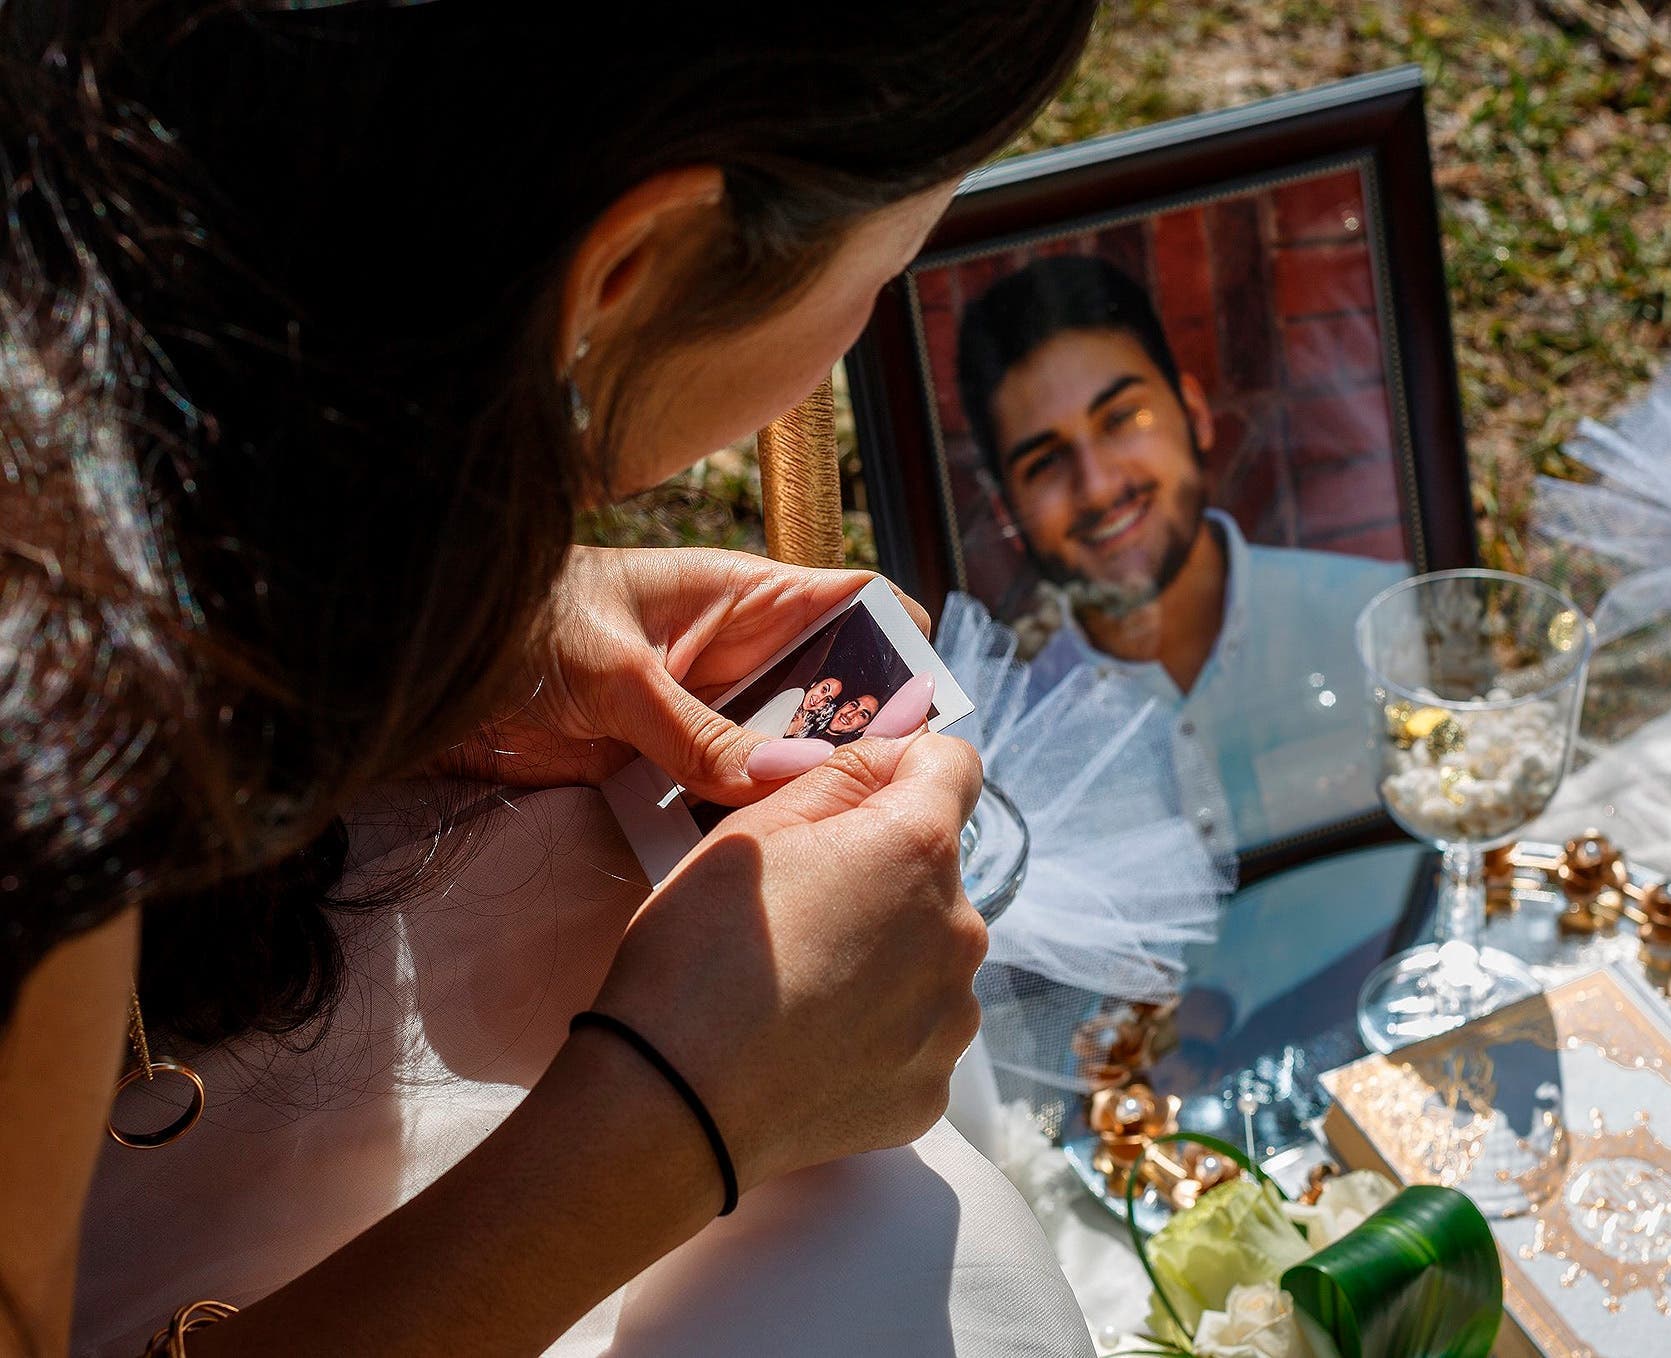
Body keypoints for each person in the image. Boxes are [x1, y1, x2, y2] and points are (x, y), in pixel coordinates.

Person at [0, 5, 1098, 1356]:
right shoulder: (38, 675)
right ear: (630, 265)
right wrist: (674, 1116)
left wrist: (437, 630)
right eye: (888, 269)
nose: (861, 330)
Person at [956, 255, 1408, 853]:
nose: (1096, 487)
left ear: (1194, 415)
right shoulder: (999, 749)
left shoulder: (1383, 621)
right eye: (1045, 462)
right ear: (1005, 510)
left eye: (1121, 418)